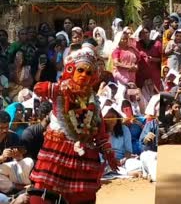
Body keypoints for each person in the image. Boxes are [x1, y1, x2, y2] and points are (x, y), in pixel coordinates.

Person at [29, 43, 118, 203]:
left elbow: (100, 133)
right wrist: (59, 87)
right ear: (72, 70)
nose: (84, 75)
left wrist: (109, 153)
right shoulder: (61, 90)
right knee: (44, 192)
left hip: (83, 155)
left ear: (93, 77)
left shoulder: (94, 103)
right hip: (57, 150)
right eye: (81, 70)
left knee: (81, 196)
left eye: (89, 72)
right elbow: (37, 88)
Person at [0, 110, 34, 195]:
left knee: (29, 161)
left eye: (7, 127)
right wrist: (2, 157)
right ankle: (15, 190)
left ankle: (21, 186)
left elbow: (19, 160)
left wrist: (18, 156)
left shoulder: (13, 136)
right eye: (1, 128)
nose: (4, 130)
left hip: (11, 170)